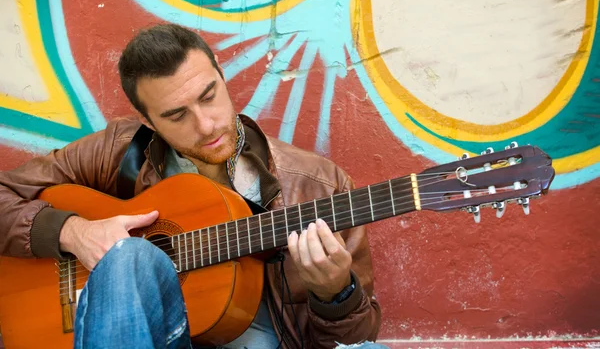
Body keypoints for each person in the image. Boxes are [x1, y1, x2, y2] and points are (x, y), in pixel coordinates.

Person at [0, 24, 383, 348]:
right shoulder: (119, 151)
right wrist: (73, 231)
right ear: (148, 121)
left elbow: (358, 338)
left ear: (220, 73)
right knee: (131, 257)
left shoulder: (318, 186)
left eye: (208, 96)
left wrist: (336, 294)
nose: (205, 125)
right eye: (177, 115)